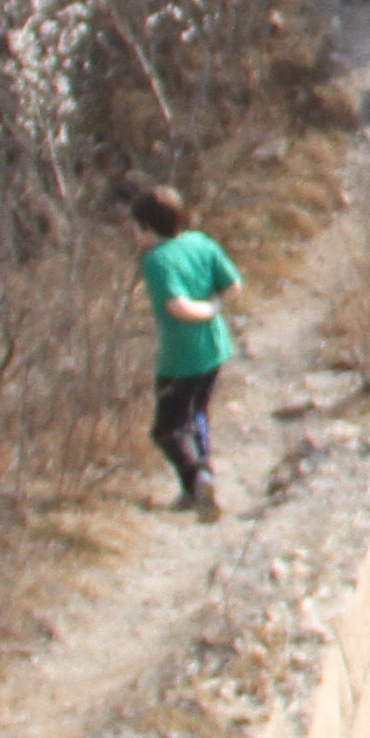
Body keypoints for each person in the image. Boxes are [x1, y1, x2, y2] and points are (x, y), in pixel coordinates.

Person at [128, 187, 240, 521]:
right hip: (215, 347)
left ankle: (196, 480)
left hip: (182, 356)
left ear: (146, 227)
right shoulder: (201, 243)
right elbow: (233, 284)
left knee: (167, 429)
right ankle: (201, 489)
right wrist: (216, 305)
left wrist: (205, 310)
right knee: (197, 415)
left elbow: (177, 306)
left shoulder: (157, 261)